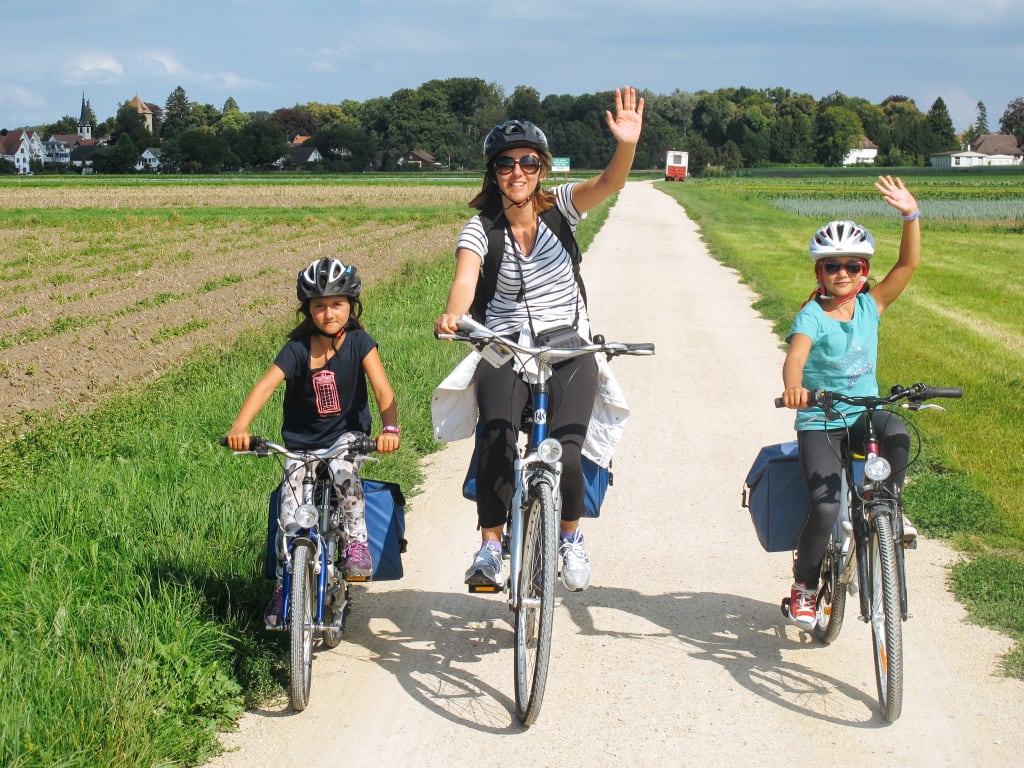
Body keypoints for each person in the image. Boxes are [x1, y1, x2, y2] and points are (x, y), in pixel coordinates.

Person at [434, 86, 644, 593]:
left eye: (528, 162)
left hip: (568, 346)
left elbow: (610, 182)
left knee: (566, 452)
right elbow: (466, 278)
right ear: (494, 173)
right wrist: (455, 315)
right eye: (505, 165)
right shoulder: (480, 227)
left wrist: (627, 144)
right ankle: (490, 545)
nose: (517, 172)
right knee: (497, 437)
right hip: (505, 346)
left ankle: (570, 537)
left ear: (542, 168)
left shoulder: (562, 209)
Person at [779, 175, 921, 628]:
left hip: (863, 414)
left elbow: (907, 266)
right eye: (832, 266)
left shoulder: (869, 306)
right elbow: (796, 356)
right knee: (824, 505)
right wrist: (794, 387)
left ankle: (888, 510)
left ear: (864, 272)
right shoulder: (812, 315)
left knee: (897, 432)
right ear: (819, 273)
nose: (843, 273)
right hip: (821, 421)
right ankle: (804, 585)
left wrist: (910, 215)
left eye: (853, 266)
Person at [227, 257, 400, 626]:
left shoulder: (360, 343)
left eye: (337, 304)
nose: (328, 313)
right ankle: (284, 585)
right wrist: (240, 427)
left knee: (345, 476)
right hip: (302, 445)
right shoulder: (296, 349)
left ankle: (356, 543)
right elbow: (265, 386)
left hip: (345, 438)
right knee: (288, 513)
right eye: (319, 306)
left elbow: (383, 390)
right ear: (308, 310)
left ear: (351, 306)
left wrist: (389, 430)